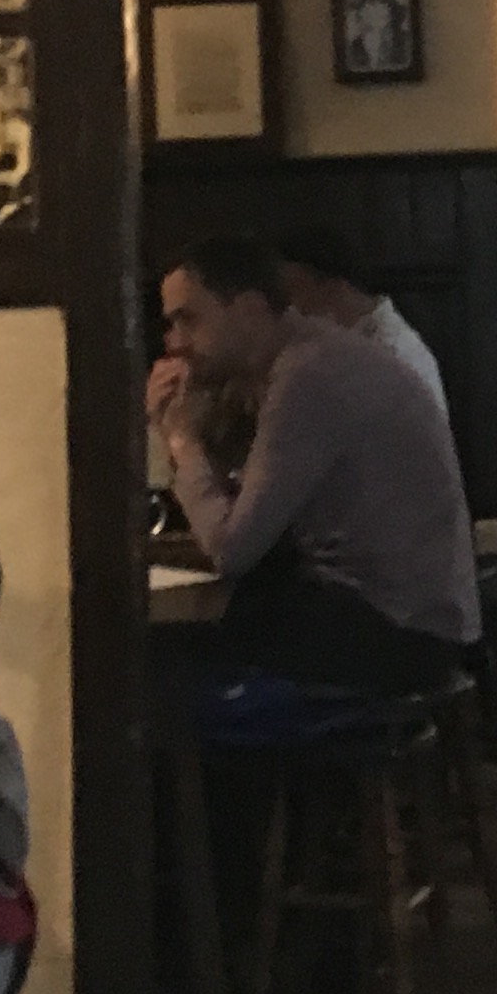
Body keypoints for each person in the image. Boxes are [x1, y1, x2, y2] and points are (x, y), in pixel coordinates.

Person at [149, 230, 479, 693]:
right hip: (414, 622)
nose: (174, 343)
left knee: (166, 669)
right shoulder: (308, 358)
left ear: (249, 309)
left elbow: (231, 548)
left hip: (397, 632)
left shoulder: (308, 375)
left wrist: (182, 440)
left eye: (188, 320)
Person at [273, 229, 454, 437]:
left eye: (297, 289)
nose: (293, 305)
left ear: (334, 286)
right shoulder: (325, 334)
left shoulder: (396, 349)